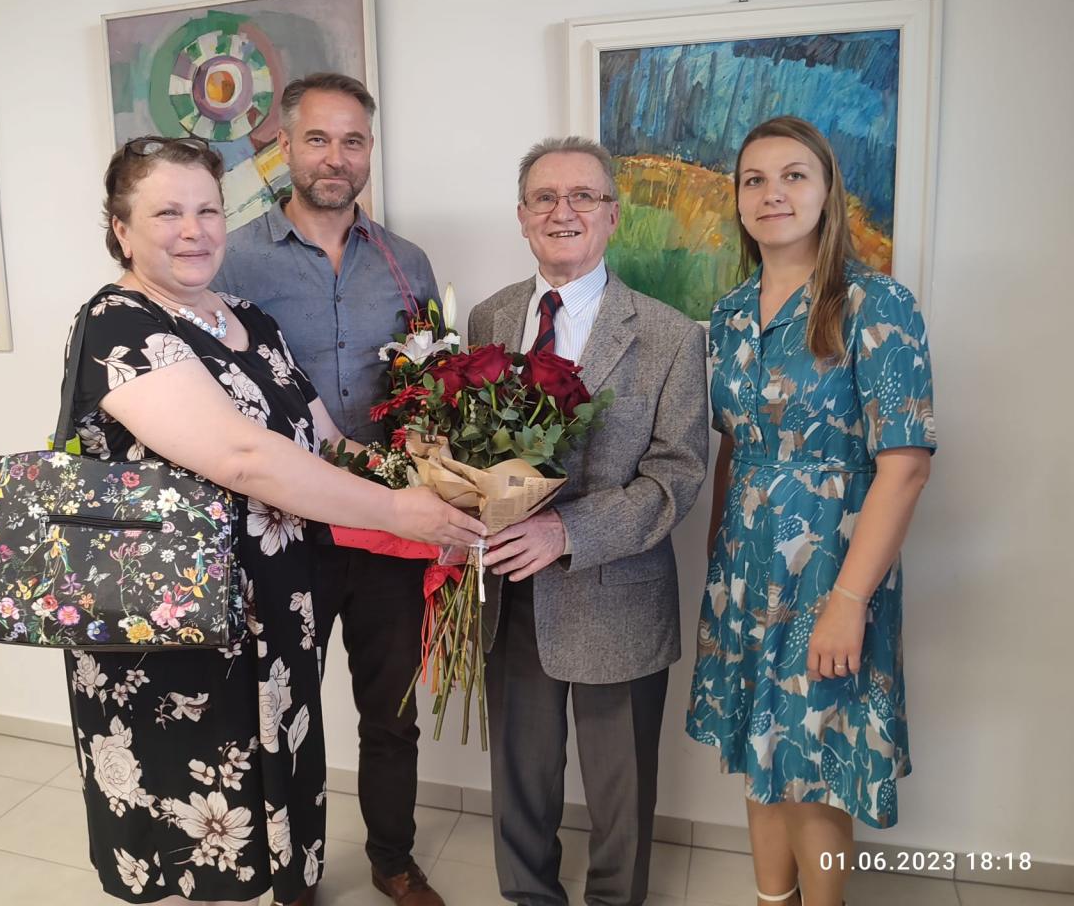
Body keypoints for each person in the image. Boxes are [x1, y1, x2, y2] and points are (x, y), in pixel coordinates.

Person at [63, 135, 485, 906]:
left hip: (272, 611)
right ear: (121, 229)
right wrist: (399, 512)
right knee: (194, 808)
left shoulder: (250, 320)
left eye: (207, 211)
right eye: (166, 213)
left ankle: (287, 888)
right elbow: (246, 457)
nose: (194, 231)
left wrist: (443, 480)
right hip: (178, 629)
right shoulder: (117, 324)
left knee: (274, 778)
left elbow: (325, 440)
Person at [685, 116, 936, 906]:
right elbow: (735, 445)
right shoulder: (728, 314)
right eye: (754, 180)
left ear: (828, 192)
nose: (773, 193)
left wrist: (849, 602)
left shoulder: (876, 303)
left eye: (793, 175)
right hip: (745, 567)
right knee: (759, 752)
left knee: (813, 760)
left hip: (832, 566)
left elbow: (905, 467)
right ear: (738, 200)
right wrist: (718, 557)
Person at [214, 73, 446, 906]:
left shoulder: (406, 262)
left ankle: (392, 860)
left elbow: (432, 382)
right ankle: (293, 872)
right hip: (280, 531)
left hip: (388, 526)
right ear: (285, 146)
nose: (335, 158)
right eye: (318, 139)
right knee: (282, 712)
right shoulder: (232, 259)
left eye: (352, 141)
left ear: (369, 151)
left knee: (391, 714)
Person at [468, 136, 709, 906]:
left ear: (612, 215)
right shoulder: (488, 317)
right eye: (544, 197)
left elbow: (676, 476)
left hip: (618, 597)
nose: (561, 211)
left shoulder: (671, 335)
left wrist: (566, 532)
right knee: (519, 778)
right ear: (522, 215)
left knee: (621, 794)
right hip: (510, 597)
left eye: (582, 196)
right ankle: (527, 896)